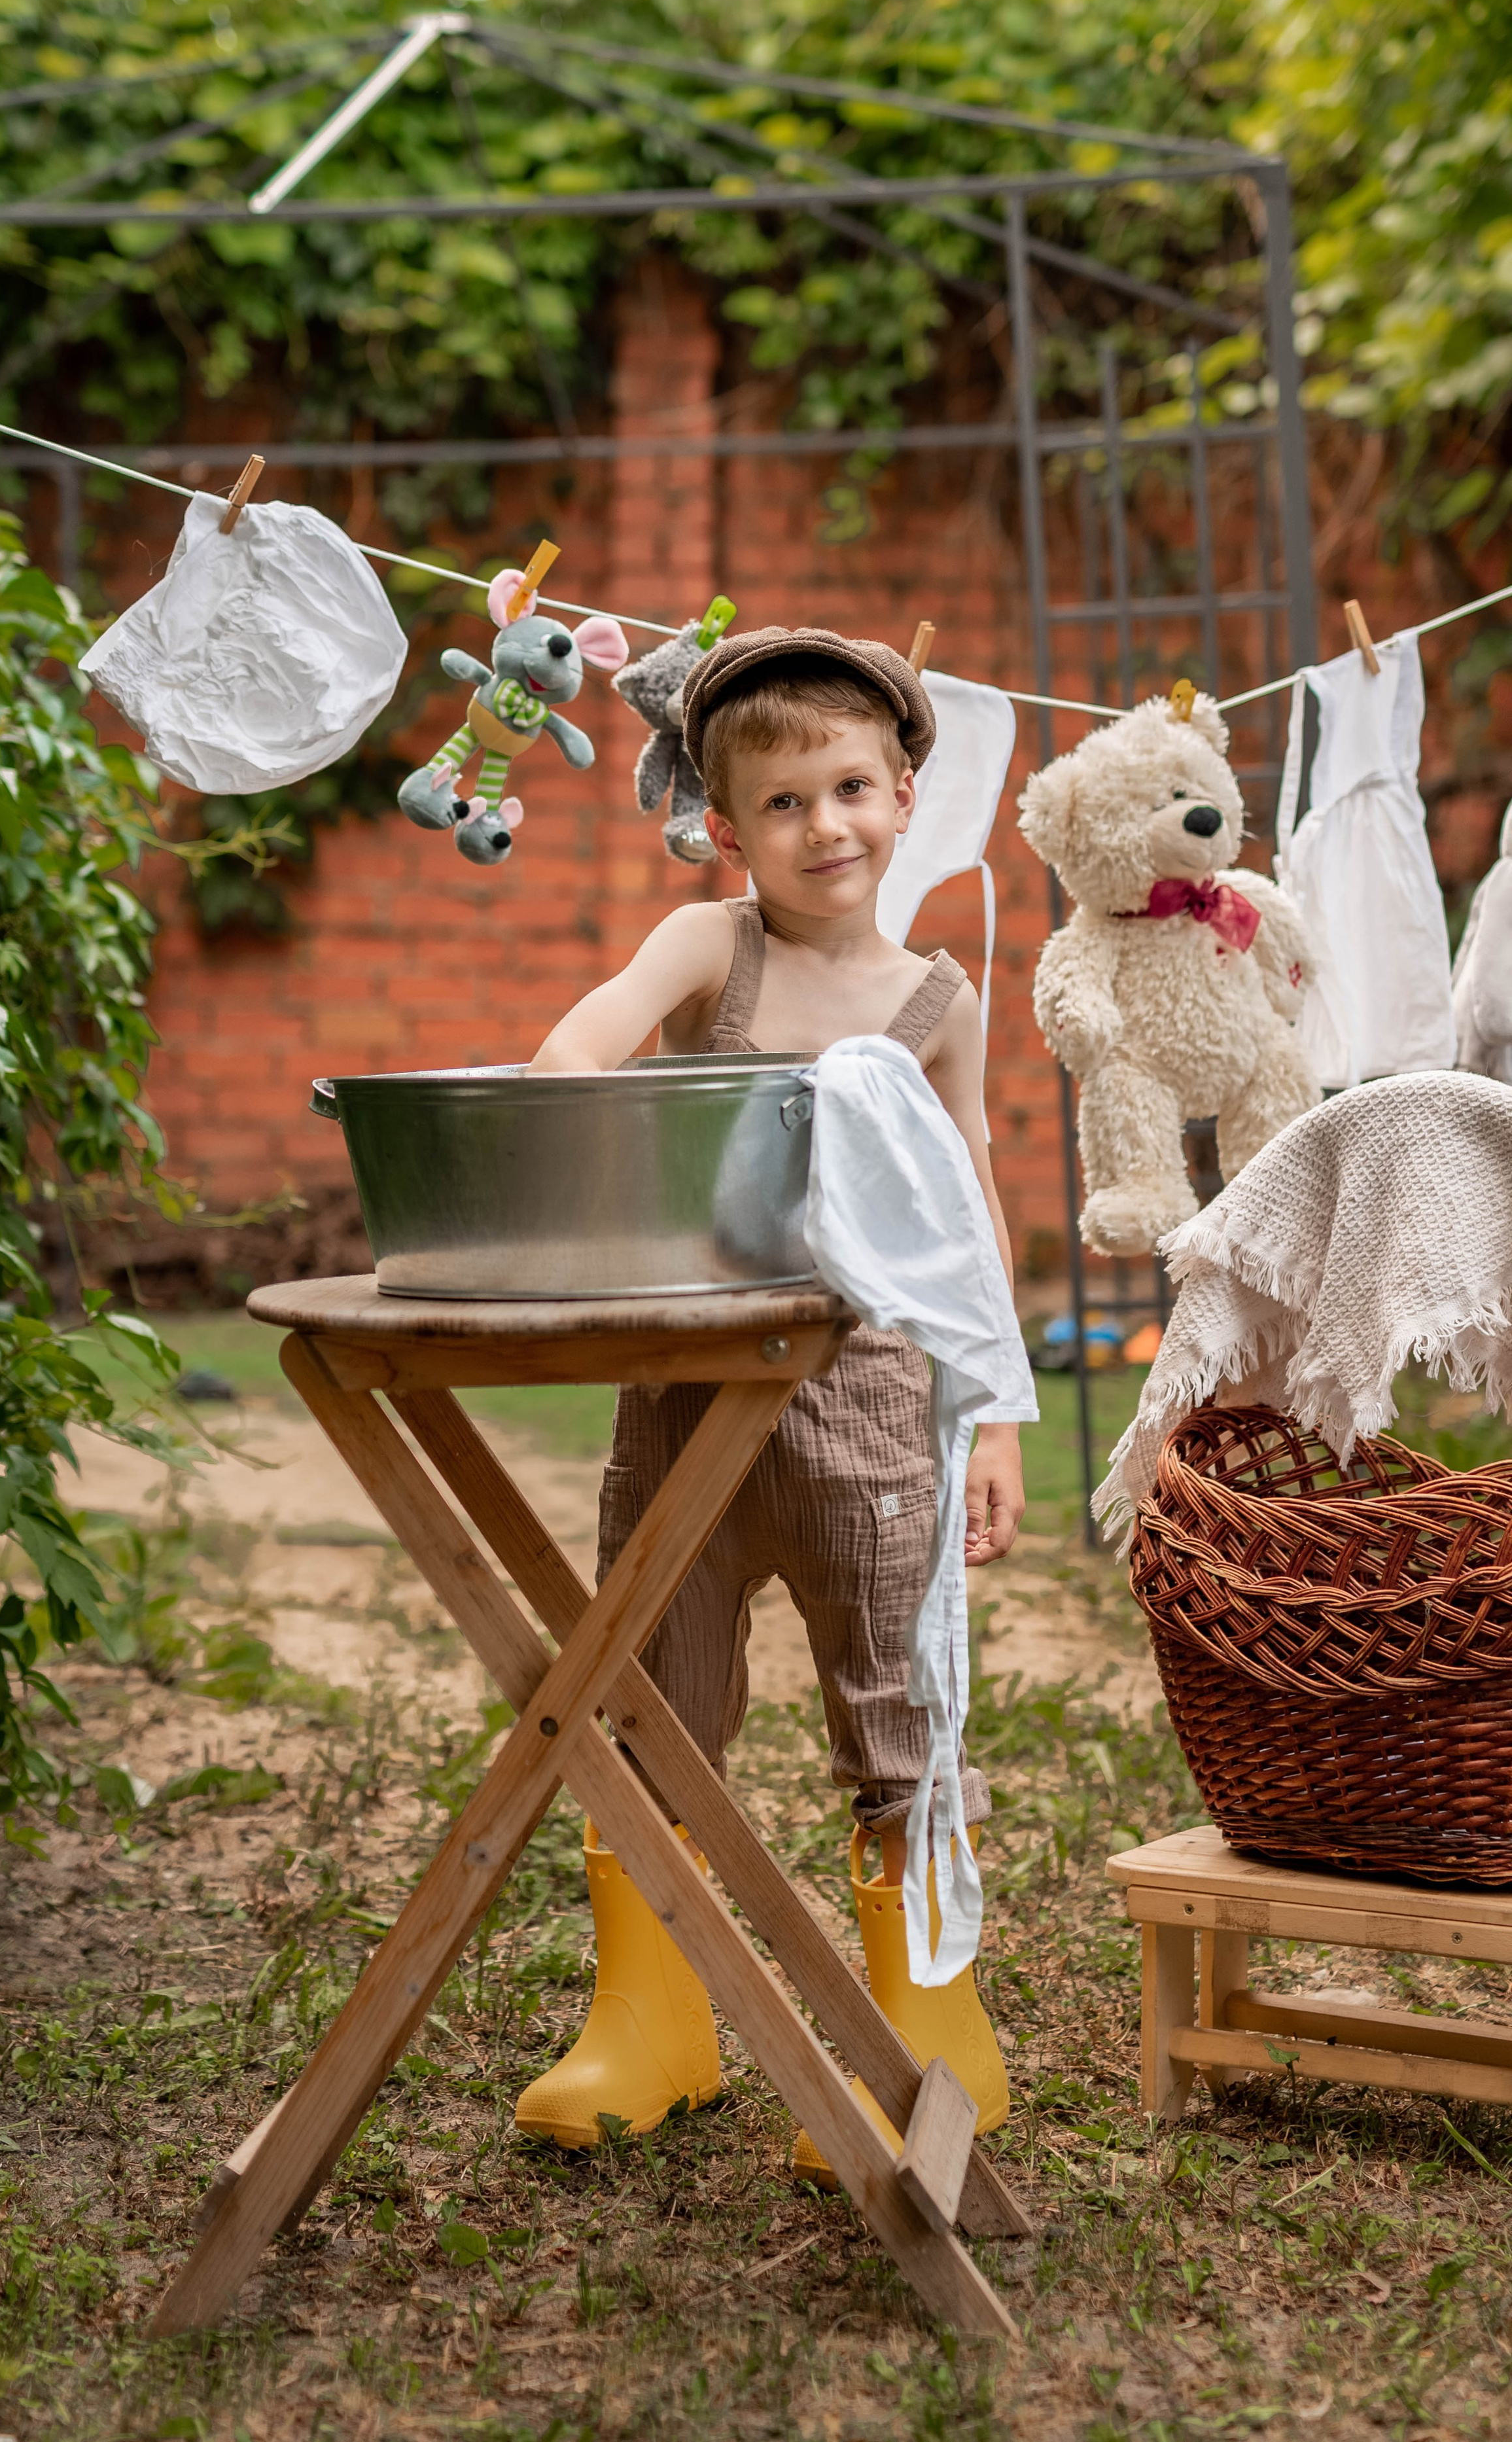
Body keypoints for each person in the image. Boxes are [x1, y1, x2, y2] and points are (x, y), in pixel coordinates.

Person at [519, 625, 1026, 2178]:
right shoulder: (704, 950)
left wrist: (988, 1410)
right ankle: (651, 2025)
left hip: (866, 1404)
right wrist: (561, 1135)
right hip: (684, 1390)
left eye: (853, 789)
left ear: (904, 796)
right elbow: (577, 1045)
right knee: (651, 1693)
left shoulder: (932, 1000)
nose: (826, 828)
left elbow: (967, 1203)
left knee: (891, 1696)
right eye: (785, 803)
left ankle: (927, 2044)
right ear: (725, 827)